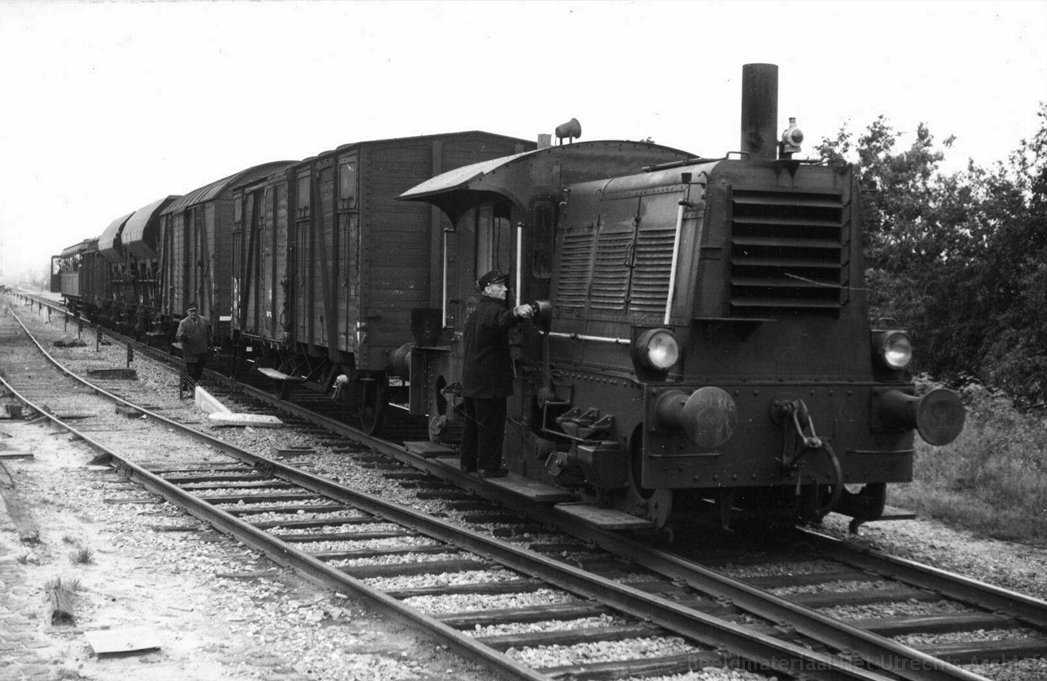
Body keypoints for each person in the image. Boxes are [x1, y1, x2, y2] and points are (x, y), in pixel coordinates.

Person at [460, 270, 534, 477]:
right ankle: (488, 466)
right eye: (500, 286)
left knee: (472, 425)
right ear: (487, 289)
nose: (505, 289)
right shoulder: (492, 310)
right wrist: (518, 312)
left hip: (472, 380)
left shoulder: (475, 312)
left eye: (504, 285)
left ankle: (467, 463)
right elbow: (502, 320)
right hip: (489, 383)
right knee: (491, 425)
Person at [175, 302, 211, 394]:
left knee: (199, 371)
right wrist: (183, 336)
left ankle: (188, 384)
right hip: (190, 351)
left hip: (202, 350)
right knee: (192, 371)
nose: (193, 313)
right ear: (188, 312)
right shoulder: (183, 323)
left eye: (195, 311)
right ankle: (191, 389)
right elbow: (178, 336)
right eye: (191, 311)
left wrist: (211, 344)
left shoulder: (204, 321)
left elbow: (209, 334)